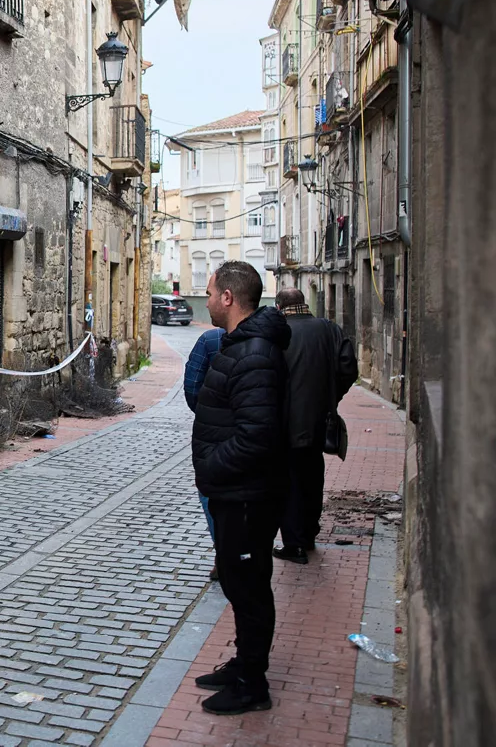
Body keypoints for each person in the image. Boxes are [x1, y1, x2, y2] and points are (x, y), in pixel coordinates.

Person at [190, 261, 291, 715]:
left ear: (228, 298)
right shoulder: (242, 346)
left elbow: (257, 434)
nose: (207, 301)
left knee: (249, 587)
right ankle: (244, 664)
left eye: (210, 294)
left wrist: (212, 465)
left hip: (246, 493)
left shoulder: (252, 354)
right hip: (237, 492)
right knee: (237, 581)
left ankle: (252, 684)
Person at [272, 288, 359, 564]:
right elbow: (349, 368)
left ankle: (294, 544)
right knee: (312, 477)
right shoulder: (329, 329)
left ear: (279, 306)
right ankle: (309, 534)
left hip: (285, 424)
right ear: (303, 304)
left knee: (288, 482)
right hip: (319, 421)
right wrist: (330, 397)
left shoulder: (278, 333)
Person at [184, 325, 225, 579]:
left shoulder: (211, 340)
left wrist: (207, 413)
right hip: (260, 433)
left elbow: (192, 385)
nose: (207, 301)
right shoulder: (271, 338)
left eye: (210, 295)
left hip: (215, 435)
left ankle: (224, 552)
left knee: (210, 493)